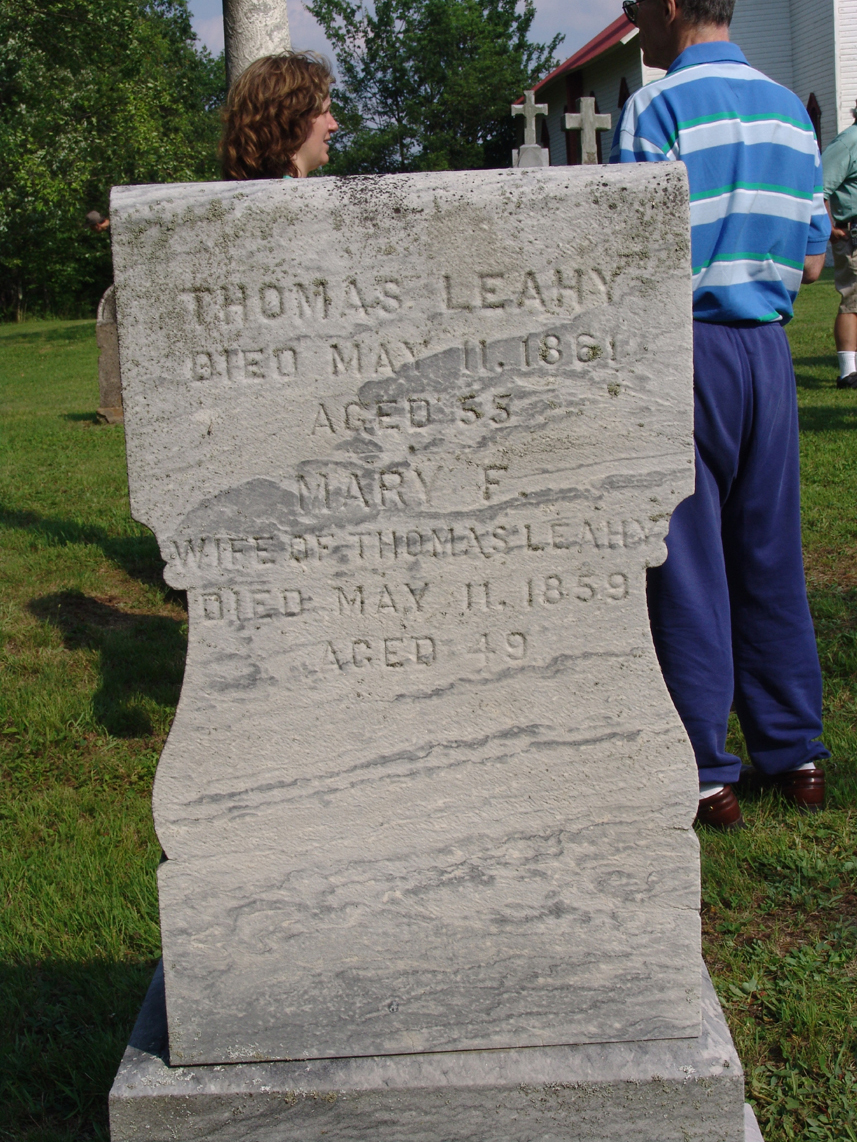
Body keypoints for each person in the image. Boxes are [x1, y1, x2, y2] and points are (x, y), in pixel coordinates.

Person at [612, 0, 831, 829]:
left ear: (670, 6)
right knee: (769, 552)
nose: (631, 17)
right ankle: (794, 752)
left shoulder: (654, 106)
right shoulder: (787, 110)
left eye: (635, 4)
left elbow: (633, 253)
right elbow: (813, 263)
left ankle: (704, 768)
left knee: (688, 561)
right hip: (767, 351)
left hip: (686, 344)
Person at [220, 51, 338, 180]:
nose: (334, 126)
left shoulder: (246, 190)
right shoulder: (290, 192)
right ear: (292, 120)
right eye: (324, 112)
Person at [822, 103, 857, 389]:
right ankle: (848, 374)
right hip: (853, 236)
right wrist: (829, 227)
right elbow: (819, 188)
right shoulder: (847, 143)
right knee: (853, 301)